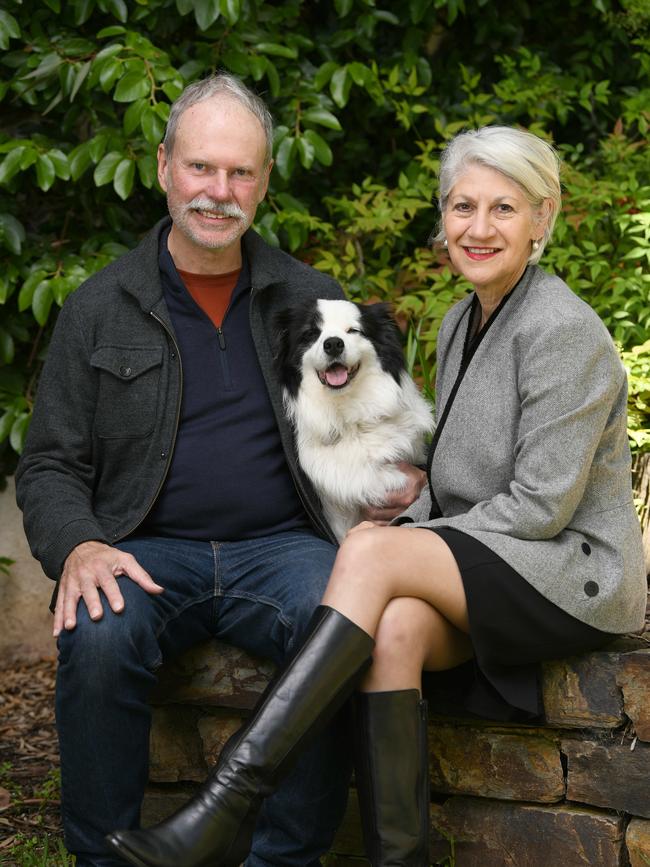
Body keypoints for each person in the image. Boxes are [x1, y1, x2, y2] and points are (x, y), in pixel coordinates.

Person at [106, 125, 647, 867]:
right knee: (391, 630)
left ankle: (223, 805)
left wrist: (410, 537)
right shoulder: (463, 319)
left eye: (503, 209)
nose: (478, 228)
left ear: (543, 217)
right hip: (503, 563)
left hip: (569, 572)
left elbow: (541, 507)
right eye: (463, 207)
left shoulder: (561, 330)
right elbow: (457, 478)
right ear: (444, 218)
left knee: (368, 549)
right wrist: (418, 513)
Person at [14, 72, 426, 867]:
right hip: (143, 547)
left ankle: (281, 859)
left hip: (284, 545)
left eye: (241, 172)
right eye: (202, 167)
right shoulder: (98, 308)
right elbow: (51, 463)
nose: (219, 191)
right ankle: (106, 855)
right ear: (166, 165)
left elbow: (381, 417)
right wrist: (79, 547)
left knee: (332, 625)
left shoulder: (309, 298)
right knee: (97, 636)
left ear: (265, 182)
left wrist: (393, 482)